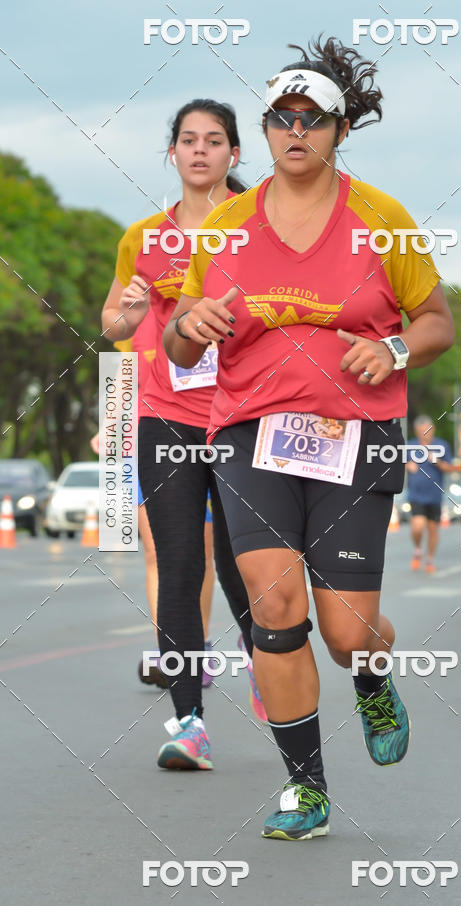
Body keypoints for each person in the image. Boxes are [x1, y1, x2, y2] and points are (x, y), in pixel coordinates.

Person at [165, 37, 454, 839]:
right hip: (250, 435)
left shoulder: (381, 218)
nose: (296, 131)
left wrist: (392, 347)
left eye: (313, 119)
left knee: (347, 631)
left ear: (340, 129)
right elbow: (180, 346)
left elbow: (435, 322)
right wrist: (190, 323)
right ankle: (306, 788)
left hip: (355, 435)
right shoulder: (224, 225)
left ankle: (371, 677)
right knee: (275, 607)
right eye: (281, 118)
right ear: (264, 129)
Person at [101, 99, 267, 772]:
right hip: (165, 413)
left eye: (215, 140)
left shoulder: (261, 228)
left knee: (241, 563)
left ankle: (268, 660)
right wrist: (132, 310)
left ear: (234, 154)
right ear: (172, 154)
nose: (200, 150)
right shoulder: (143, 236)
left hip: (242, 413)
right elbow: (112, 325)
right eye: (188, 140)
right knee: (179, 561)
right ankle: (188, 720)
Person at [406, 415, 455, 574]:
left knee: (433, 529)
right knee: (417, 526)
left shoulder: (442, 445)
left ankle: (430, 559)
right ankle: (418, 548)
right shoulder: (411, 446)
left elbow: (450, 468)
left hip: (434, 495)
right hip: (416, 495)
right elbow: (398, 463)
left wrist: (437, 462)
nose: (424, 434)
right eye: (420, 431)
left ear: (432, 429)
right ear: (416, 431)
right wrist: (407, 465)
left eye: (426, 431)